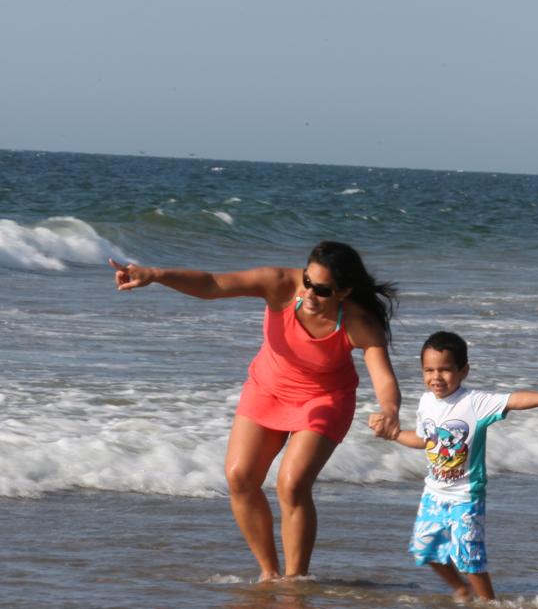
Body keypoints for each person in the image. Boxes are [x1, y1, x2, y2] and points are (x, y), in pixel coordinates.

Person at [110, 241, 402, 580]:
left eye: (321, 290)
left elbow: (383, 378)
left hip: (324, 399)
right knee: (240, 477)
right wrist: (156, 275)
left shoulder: (358, 322)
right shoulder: (278, 283)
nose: (309, 293)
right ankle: (269, 574)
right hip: (268, 388)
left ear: (344, 291)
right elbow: (211, 285)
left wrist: (390, 410)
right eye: (307, 281)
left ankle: (295, 581)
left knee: (291, 484)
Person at [388, 330, 538, 602]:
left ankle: (487, 604)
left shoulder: (474, 402)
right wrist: (394, 434)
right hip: (433, 494)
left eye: (445, 370)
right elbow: (425, 441)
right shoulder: (425, 402)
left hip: (466, 496)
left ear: (463, 370)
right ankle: (460, 588)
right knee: (423, 548)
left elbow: (513, 400)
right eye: (429, 370)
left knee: (469, 555)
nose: (436, 377)